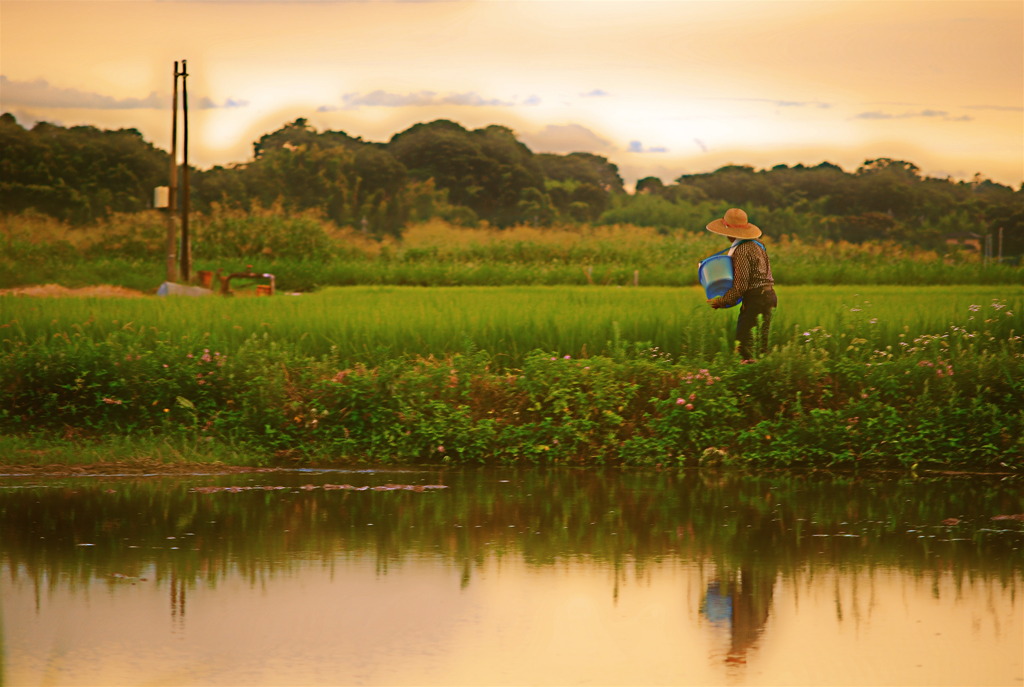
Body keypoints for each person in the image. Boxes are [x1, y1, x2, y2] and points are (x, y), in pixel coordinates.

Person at [705, 208, 776, 360]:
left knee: (745, 345)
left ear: (728, 231)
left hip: (757, 299)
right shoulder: (758, 244)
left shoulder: (742, 250)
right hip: (769, 296)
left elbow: (741, 285)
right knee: (759, 345)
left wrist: (722, 301)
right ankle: (761, 377)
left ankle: (749, 376)